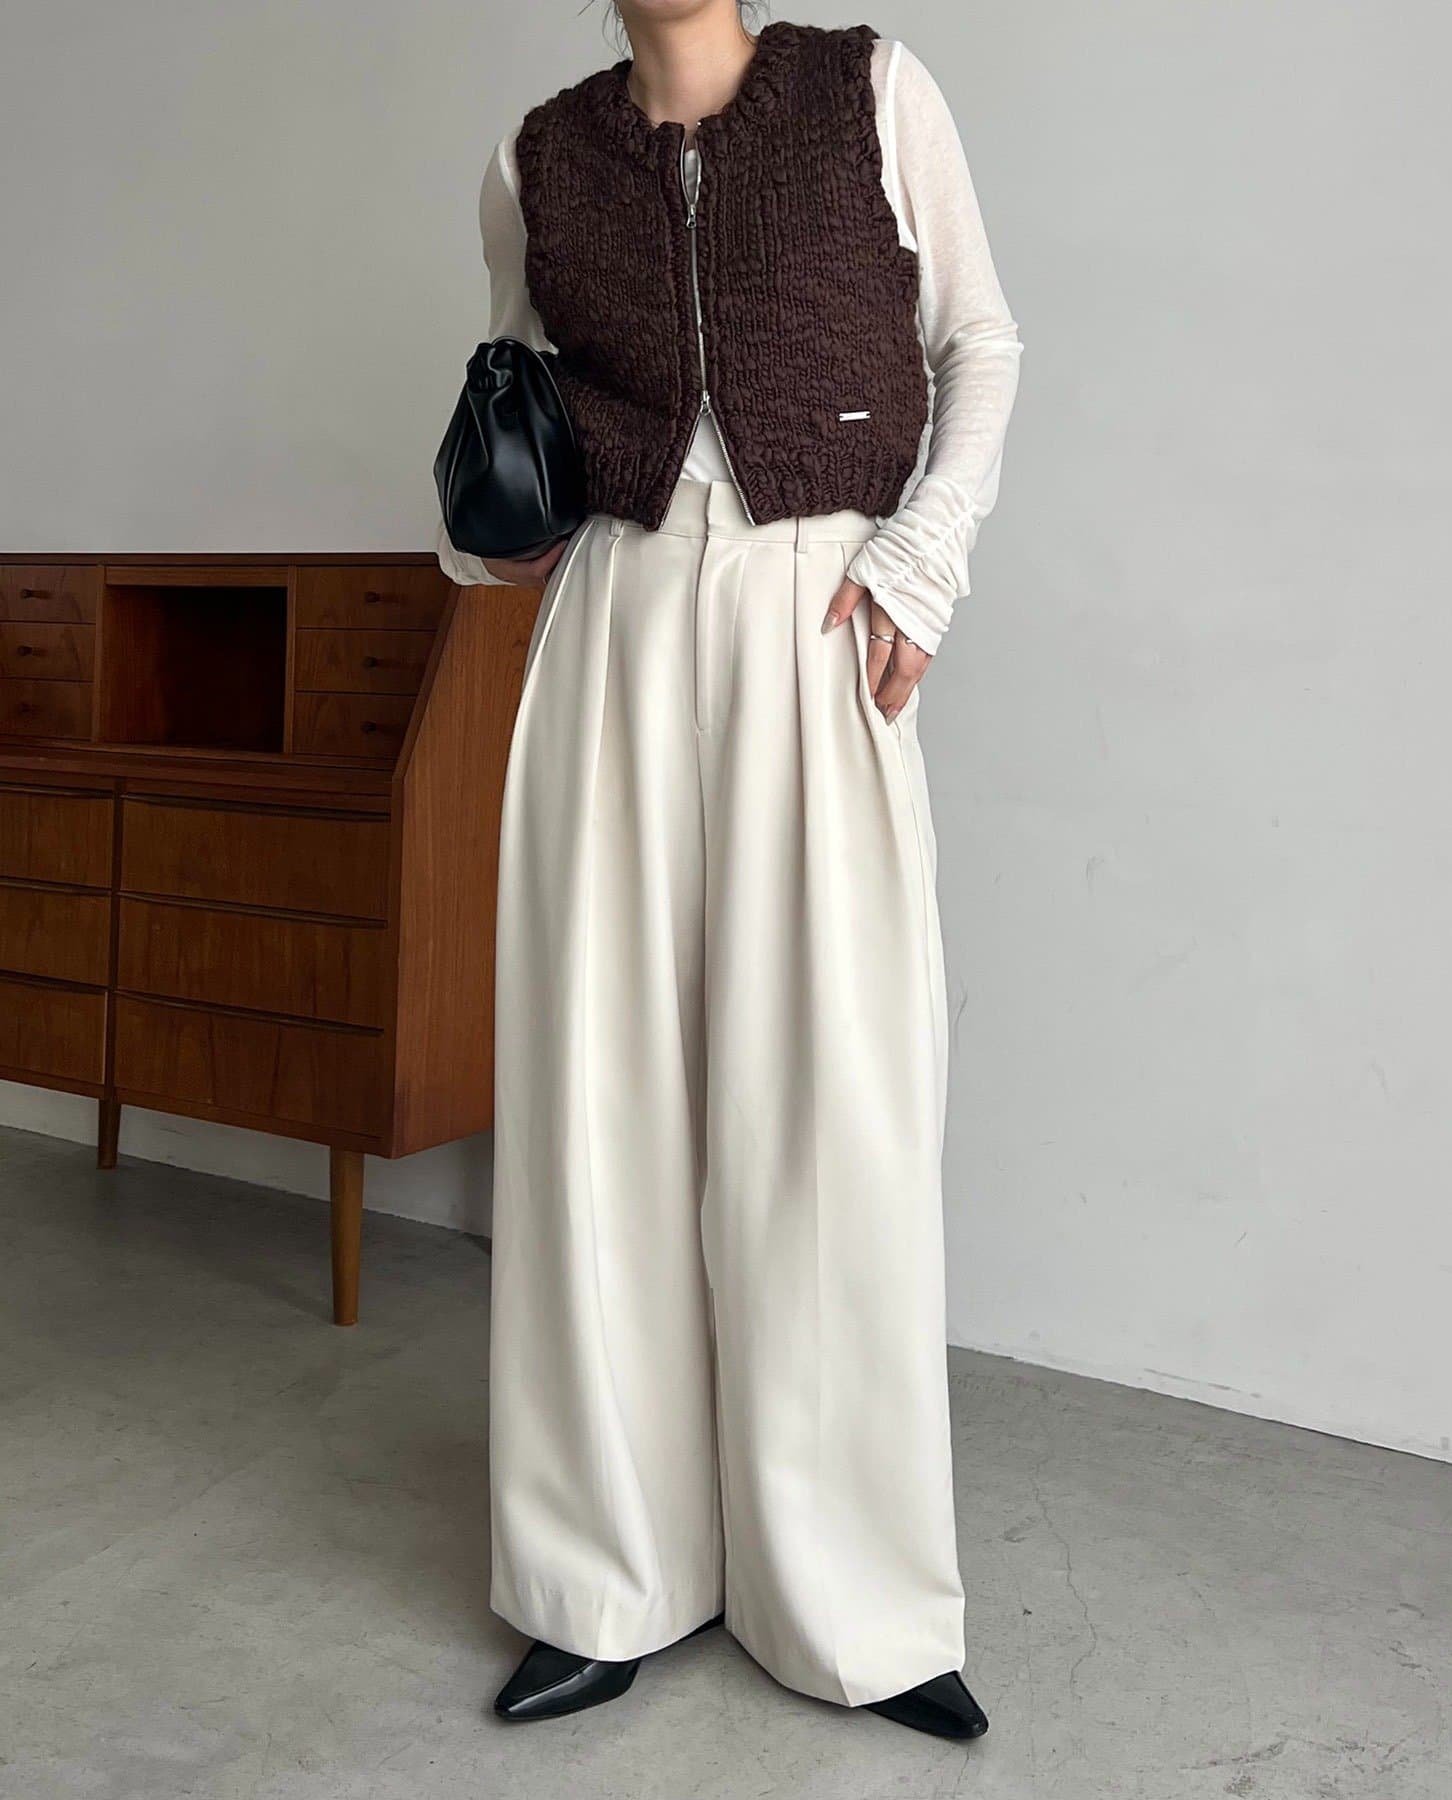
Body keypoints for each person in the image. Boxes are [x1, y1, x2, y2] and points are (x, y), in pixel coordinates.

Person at [436, 0, 1021, 1742]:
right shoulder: (536, 156)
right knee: (594, 1096)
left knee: (834, 1100)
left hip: (818, 612)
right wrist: (487, 518)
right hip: (614, 620)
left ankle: (858, 1605)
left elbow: (979, 340)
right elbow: (512, 400)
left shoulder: (872, 91)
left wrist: (923, 560)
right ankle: (598, 1577)